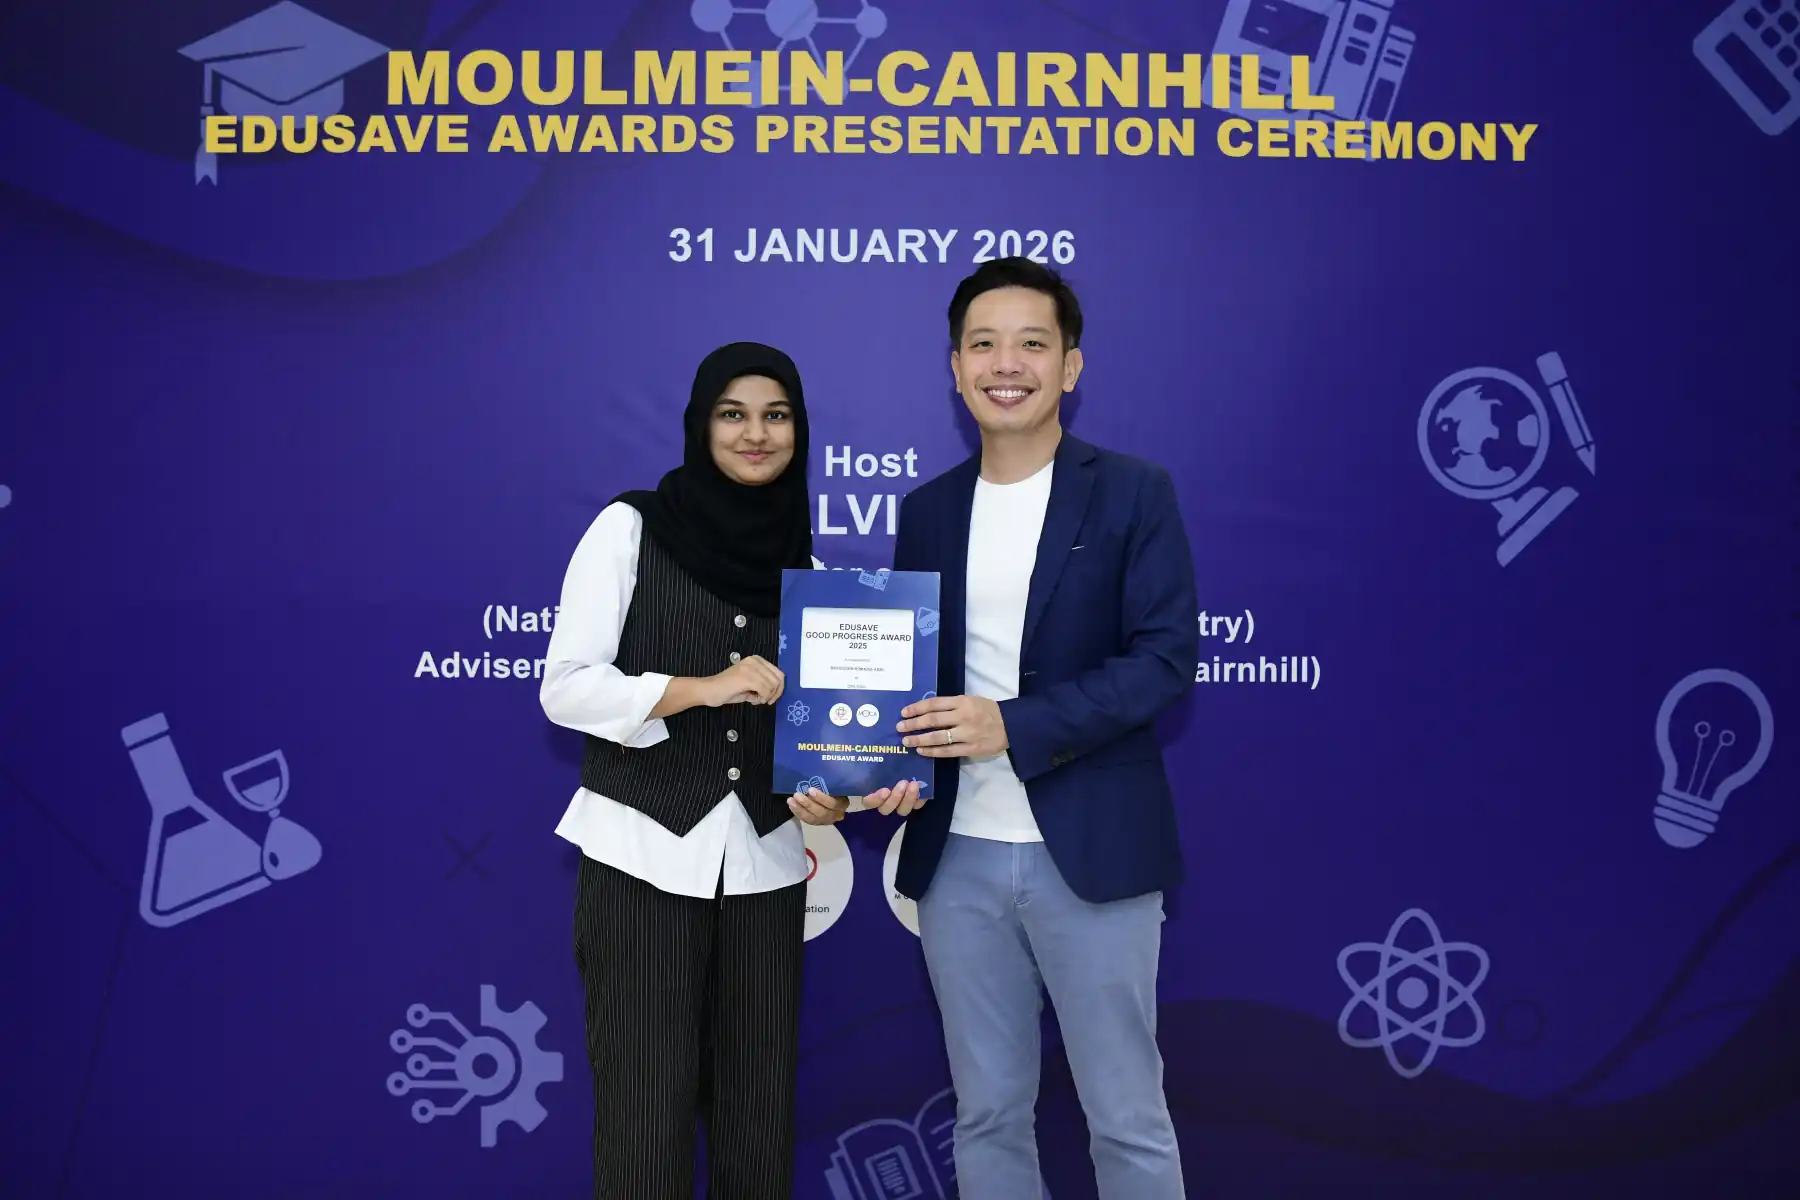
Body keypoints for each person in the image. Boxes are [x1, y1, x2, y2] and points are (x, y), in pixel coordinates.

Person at [865, 258, 1198, 1197]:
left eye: (1031, 344)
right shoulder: (928, 510)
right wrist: (879, 766)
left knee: (1127, 1117)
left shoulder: (1134, 491)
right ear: (955, 366)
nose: (1005, 364)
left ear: (1071, 365)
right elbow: (915, 680)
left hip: (1093, 850)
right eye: (982, 344)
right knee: (987, 1115)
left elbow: (1165, 660)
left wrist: (1009, 725)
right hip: (956, 858)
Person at [539, 341, 848, 1200]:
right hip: (639, 862)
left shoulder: (814, 575)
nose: (756, 433)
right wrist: (701, 689)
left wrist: (830, 794)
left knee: (758, 1123)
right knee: (644, 1122)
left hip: (767, 873)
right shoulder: (629, 528)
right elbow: (566, 689)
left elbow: (816, 742)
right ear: (700, 424)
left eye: (776, 416)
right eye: (732, 413)